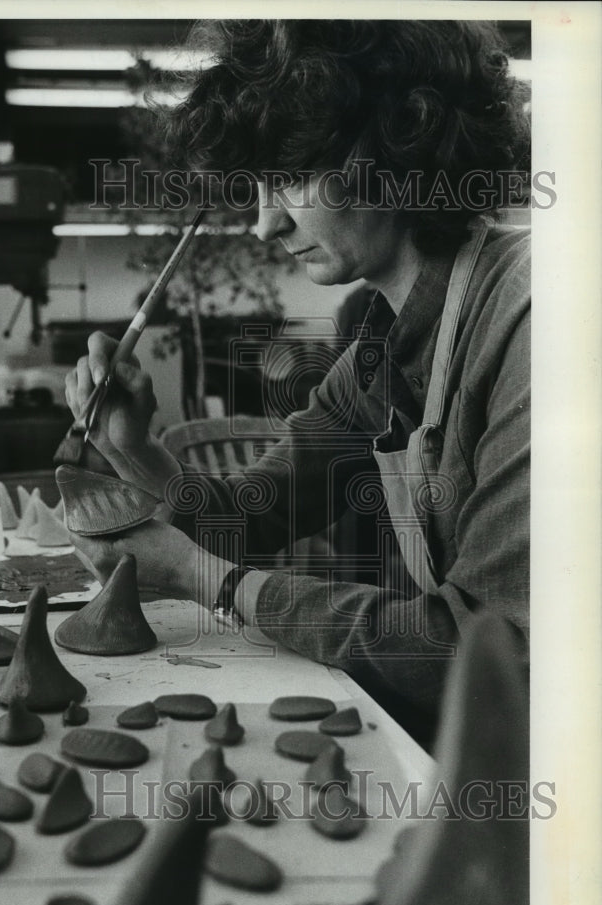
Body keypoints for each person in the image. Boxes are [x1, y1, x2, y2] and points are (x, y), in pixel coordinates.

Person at [64, 20, 530, 746]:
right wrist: (135, 449)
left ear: (404, 138)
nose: (262, 225)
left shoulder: (532, 317)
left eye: (289, 177)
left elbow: (478, 643)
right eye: (255, 187)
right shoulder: (381, 349)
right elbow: (252, 515)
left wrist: (205, 579)